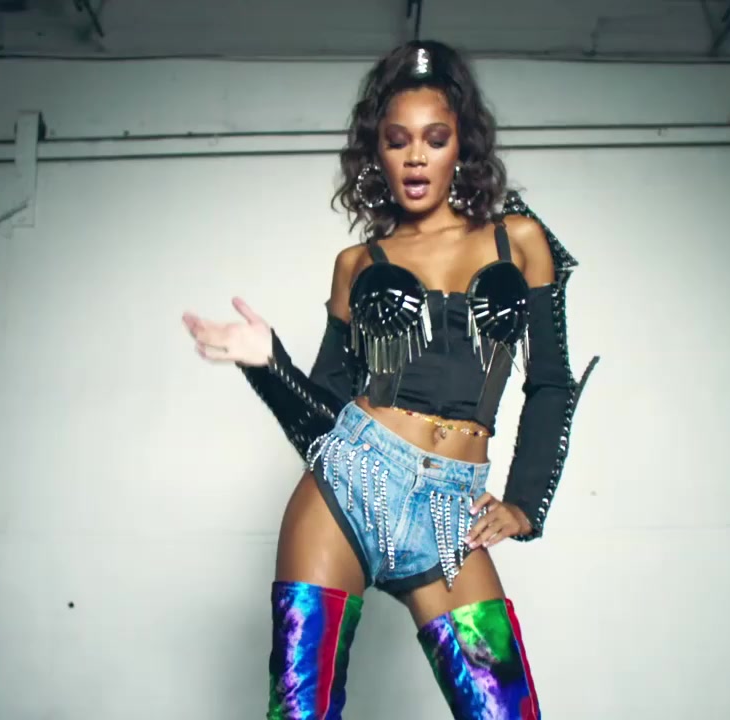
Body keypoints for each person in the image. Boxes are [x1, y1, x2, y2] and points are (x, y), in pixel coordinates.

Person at [182, 40, 597, 720]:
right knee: (300, 712)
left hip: (449, 510)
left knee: (504, 711)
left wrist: (525, 504)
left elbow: (549, 381)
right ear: (376, 152)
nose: (415, 157)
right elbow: (322, 420)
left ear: (462, 146)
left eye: (435, 139)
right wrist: (267, 364)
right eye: (397, 140)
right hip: (349, 484)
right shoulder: (358, 262)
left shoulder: (518, 240)